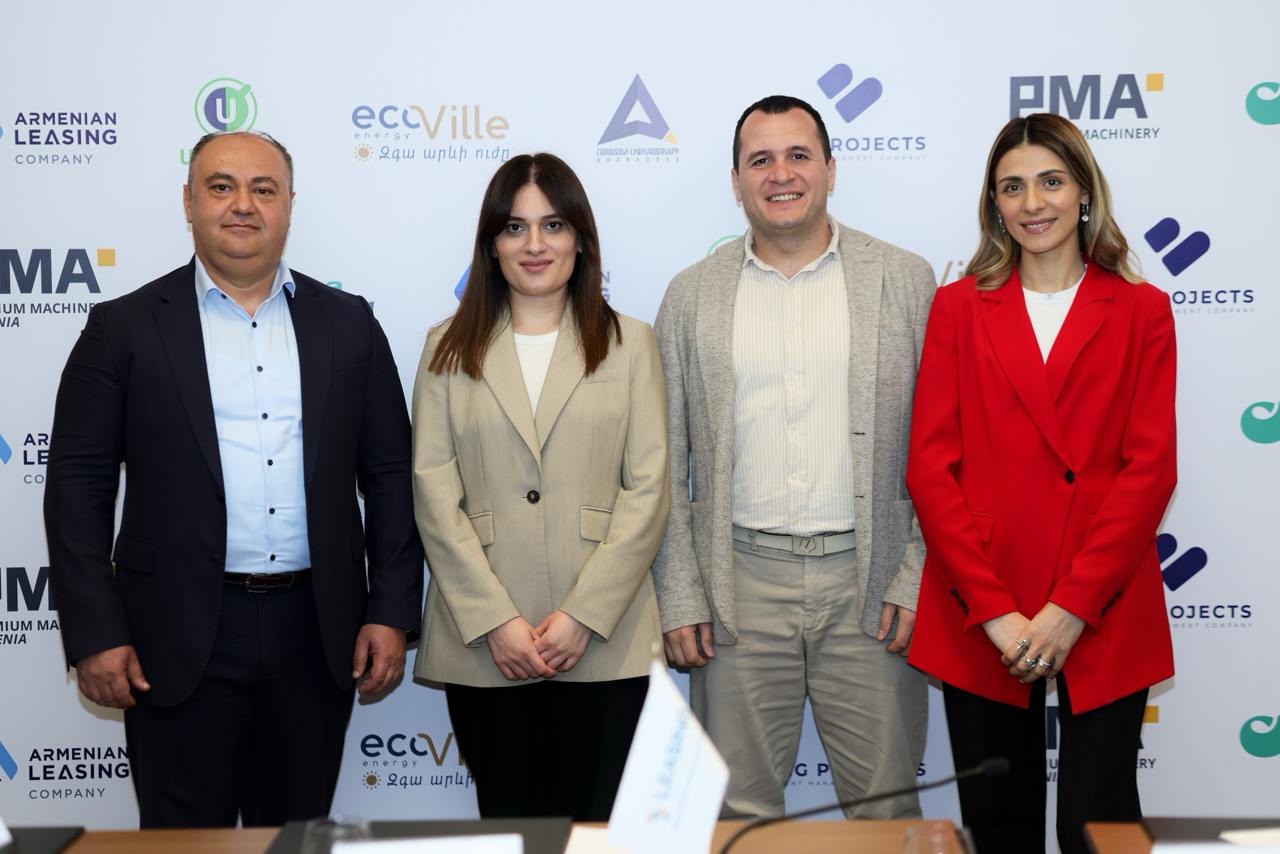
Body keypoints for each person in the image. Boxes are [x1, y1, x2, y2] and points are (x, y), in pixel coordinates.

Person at [43, 131, 424, 828]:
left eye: (263, 189)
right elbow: (78, 489)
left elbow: (393, 476)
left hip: (318, 631)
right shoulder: (121, 329)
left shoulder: (350, 325)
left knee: (294, 838)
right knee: (182, 843)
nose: (242, 204)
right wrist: (95, 631)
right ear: (188, 203)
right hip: (173, 635)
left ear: (289, 205)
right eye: (221, 187)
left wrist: (391, 610)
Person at [652, 95, 935, 819]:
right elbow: (665, 462)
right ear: (736, 181)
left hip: (871, 586)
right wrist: (681, 594)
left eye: (798, 155)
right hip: (738, 588)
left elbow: (943, 448)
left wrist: (915, 578)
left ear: (831, 170)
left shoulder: (905, 280)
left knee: (886, 815)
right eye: (761, 160)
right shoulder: (689, 296)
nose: (781, 174)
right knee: (736, 817)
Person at [905, 113, 1176, 854]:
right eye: (1012, 187)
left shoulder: (1142, 309)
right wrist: (993, 611)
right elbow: (930, 469)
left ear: (1084, 191)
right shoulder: (957, 307)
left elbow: (1150, 469)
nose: (1033, 203)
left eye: (1051, 182)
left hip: (1105, 598)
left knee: (1098, 827)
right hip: (984, 598)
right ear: (994, 204)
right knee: (998, 828)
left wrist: (1072, 608)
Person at [411, 152, 669, 821]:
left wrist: (584, 615)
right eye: (515, 227)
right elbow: (433, 496)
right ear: (491, 244)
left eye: (553, 225)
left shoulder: (631, 343)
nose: (534, 244)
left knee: (597, 830)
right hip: (485, 644)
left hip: (605, 639)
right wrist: (494, 621)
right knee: (511, 825)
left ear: (580, 238)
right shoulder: (444, 349)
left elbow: (648, 490)